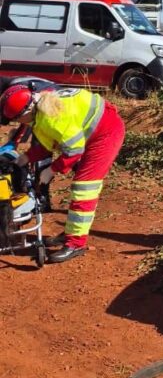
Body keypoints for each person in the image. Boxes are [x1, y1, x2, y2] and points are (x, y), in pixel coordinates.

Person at [0, 85, 125, 263]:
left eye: (18, 118)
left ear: (27, 110)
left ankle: (75, 244)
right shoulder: (41, 108)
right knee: (81, 187)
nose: (20, 123)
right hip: (93, 131)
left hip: (106, 133)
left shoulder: (52, 116)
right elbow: (47, 144)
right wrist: (24, 159)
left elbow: (74, 150)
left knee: (84, 188)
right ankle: (71, 232)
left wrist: (50, 171)